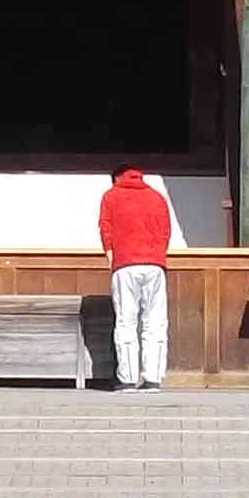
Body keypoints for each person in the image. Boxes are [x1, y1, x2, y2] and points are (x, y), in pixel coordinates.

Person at [98, 167, 174, 390]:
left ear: (116, 178)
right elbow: (165, 232)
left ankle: (128, 378)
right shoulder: (157, 197)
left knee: (126, 321)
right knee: (155, 321)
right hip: (155, 264)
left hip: (125, 265)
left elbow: (106, 229)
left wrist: (111, 256)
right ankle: (153, 377)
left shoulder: (110, 196)